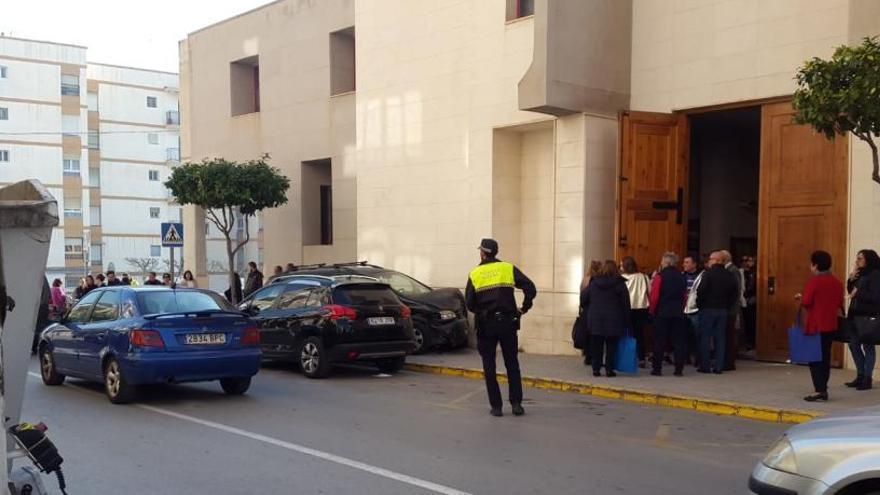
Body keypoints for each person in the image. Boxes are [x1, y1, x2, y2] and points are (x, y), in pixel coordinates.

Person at [465, 238, 536, 417]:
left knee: (489, 366)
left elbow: (470, 303)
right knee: (512, 363)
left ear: (483, 252)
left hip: (486, 324)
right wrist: (523, 308)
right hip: (507, 323)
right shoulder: (507, 268)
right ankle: (517, 404)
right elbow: (530, 287)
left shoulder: (475, 273)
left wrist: (482, 310)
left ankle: (496, 407)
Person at [796, 250, 844, 402]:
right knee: (825, 357)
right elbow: (839, 303)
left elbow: (806, 302)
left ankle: (819, 389)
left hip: (815, 324)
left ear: (815, 265)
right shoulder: (837, 282)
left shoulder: (814, 282)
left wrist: (799, 297)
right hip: (830, 324)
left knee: (814, 359)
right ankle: (823, 387)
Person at [582, 260, 630, 378]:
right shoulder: (619, 284)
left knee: (596, 345)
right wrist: (627, 320)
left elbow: (584, 299)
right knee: (611, 346)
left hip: (596, 319)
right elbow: (625, 304)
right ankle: (609, 369)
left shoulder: (594, 282)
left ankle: (596, 369)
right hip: (614, 319)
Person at [696, 251, 739, 374]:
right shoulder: (729, 275)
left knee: (705, 337)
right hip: (722, 310)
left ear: (716, 260)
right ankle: (719, 366)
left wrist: (700, 305)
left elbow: (701, 291)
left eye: (710, 259)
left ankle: (705, 365)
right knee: (720, 338)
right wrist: (727, 305)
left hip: (708, 309)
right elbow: (734, 293)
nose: (709, 261)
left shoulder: (708, 274)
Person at [845, 249, 880, 390]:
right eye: (857, 258)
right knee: (853, 344)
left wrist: (858, 292)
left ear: (868, 260)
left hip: (866, 316)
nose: (857, 261)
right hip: (854, 314)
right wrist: (851, 279)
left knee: (868, 346)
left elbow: (875, 297)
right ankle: (860, 375)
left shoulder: (875, 275)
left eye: (860, 258)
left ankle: (867, 378)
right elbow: (851, 292)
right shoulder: (860, 274)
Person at [648, 252, 688, 376]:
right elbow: (685, 295)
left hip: (662, 312)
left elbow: (654, 296)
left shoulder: (660, 276)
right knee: (678, 342)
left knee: (659, 341)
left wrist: (652, 310)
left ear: (666, 263)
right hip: (677, 312)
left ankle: (657, 369)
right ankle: (679, 369)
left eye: (662, 261)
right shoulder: (681, 276)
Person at [621, 256, 650, 368]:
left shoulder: (621, 278)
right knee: (640, 334)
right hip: (641, 307)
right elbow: (649, 291)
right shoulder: (643, 277)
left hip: (626, 308)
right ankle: (641, 358)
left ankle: (627, 357)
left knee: (626, 333)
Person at [720, 250, 745, 371]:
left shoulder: (733, 270)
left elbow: (736, 290)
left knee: (729, 336)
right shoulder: (728, 270)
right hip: (727, 308)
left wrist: (730, 306)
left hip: (730, 309)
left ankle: (729, 362)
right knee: (726, 335)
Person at [576, 261, 602, 366]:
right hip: (595, 309)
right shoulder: (598, 281)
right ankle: (594, 357)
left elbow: (582, 294)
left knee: (587, 333)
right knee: (595, 336)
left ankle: (588, 356)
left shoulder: (585, 279)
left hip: (586, 309)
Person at [682, 254, 703, 367]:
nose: (684, 264)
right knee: (684, 335)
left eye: (687, 262)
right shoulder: (681, 276)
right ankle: (685, 357)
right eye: (684, 262)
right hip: (683, 309)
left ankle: (697, 358)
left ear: (694, 264)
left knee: (697, 335)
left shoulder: (701, 276)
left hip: (696, 310)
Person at [742, 255, 758, 351]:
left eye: (750, 260)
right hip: (746, 299)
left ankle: (752, 342)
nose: (748, 262)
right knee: (747, 322)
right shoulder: (745, 272)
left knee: (752, 322)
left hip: (752, 300)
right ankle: (749, 342)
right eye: (746, 260)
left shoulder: (755, 272)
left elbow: (752, 287)